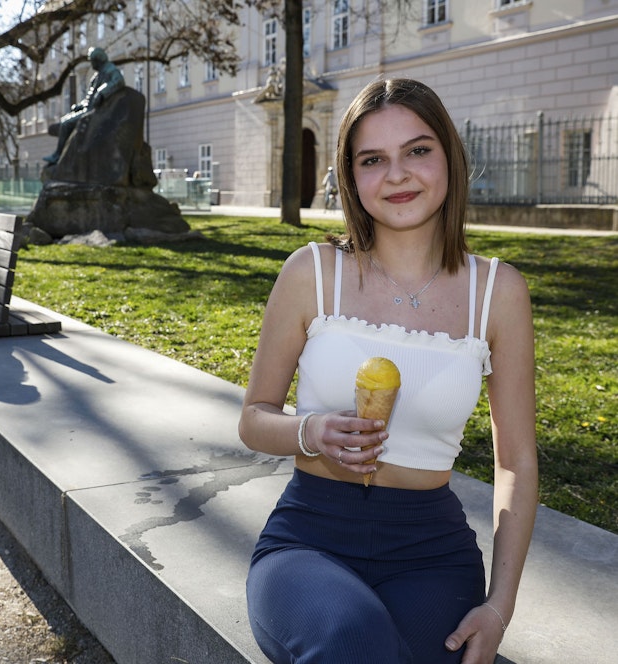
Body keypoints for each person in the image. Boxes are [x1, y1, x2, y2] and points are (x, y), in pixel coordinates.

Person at [239, 78, 537, 664]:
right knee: (352, 641)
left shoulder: (497, 292)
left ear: (450, 156)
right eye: (373, 160)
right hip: (309, 537)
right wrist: (311, 431)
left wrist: (499, 606)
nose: (397, 175)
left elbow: (516, 463)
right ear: (351, 177)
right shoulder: (310, 273)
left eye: (417, 150)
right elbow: (253, 419)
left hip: (434, 552)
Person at [42, 47, 125, 165]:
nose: (91, 63)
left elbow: (119, 81)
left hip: (97, 111)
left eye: (92, 61)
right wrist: (80, 106)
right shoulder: (96, 76)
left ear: (98, 60)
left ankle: (58, 155)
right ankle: (66, 155)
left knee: (65, 124)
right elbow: (89, 99)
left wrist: (102, 92)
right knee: (65, 120)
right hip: (89, 109)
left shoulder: (110, 70)